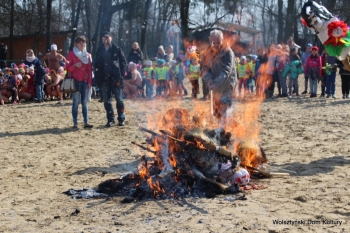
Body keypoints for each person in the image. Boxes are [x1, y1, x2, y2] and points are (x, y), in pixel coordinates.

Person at [201, 29, 237, 120]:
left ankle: (225, 129)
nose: (216, 45)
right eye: (213, 42)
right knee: (217, 113)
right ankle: (224, 127)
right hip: (214, 86)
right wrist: (209, 80)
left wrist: (216, 82)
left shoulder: (227, 52)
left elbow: (226, 70)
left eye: (218, 42)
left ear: (222, 40)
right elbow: (204, 68)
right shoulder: (206, 52)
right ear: (209, 40)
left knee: (224, 110)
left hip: (226, 85)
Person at [94, 31, 127, 127]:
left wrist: (121, 76)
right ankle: (110, 119)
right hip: (104, 79)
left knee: (119, 100)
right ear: (102, 39)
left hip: (116, 79)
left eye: (107, 37)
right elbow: (96, 64)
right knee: (107, 101)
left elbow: (123, 62)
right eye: (104, 37)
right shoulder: (99, 50)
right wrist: (98, 77)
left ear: (111, 38)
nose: (106, 39)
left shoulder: (117, 49)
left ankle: (121, 118)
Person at [66, 35, 93, 128]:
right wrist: (75, 66)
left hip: (85, 82)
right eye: (80, 42)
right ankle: (75, 123)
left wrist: (90, 82)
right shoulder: (71, 54)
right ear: (76, 44)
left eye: (84, 42)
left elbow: (89, 70)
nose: (82, 44)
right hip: (75, 81)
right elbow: (67, 68)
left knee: (85, 102)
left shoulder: (88, 55)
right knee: (75, 102)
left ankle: (86, 122)